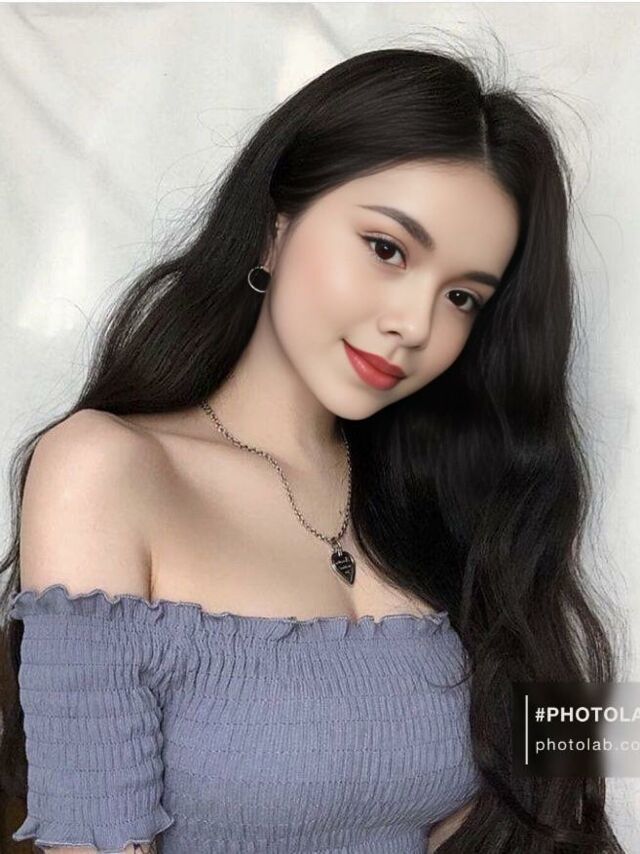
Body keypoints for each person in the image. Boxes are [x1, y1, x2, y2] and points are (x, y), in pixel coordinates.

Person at [0, 46, 625, 853]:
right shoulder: (102, 470)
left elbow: (553, 785)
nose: (415, 324)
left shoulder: (449, 506)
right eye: (387, 249)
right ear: (275, 228)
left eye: (462, 296)